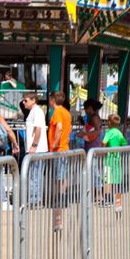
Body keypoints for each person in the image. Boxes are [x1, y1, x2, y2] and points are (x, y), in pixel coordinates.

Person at [48, 91, 73, 227]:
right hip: (65, 147)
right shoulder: (67, 113)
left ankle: (59, 198)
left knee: (59, 176)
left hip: (59, 148)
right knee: (62, 176)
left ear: (53, 100)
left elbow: (59, 127)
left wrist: (55, 143)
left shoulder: (57, 112)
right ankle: (62, 197)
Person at [22, 93, 48, 205]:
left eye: (26, 100)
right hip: (35, 149)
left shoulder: (37, 111)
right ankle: (35, 200)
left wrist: (34, 145)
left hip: (37, 150)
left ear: (33, 100)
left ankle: (35, 200)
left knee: (34, 176)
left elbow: (38, 129)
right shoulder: (34, 111)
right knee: (34, 175)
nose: (23, 102)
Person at [102, 113, 128, 211]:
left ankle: (107, 200)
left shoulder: (109, 132)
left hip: (108, 159)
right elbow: (124, 143)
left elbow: (104, 142)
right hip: (117, 159)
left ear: (109, 122)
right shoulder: (119, 133)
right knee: (116, 181)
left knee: (107, 179)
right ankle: (118, 202)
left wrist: (102, 149)